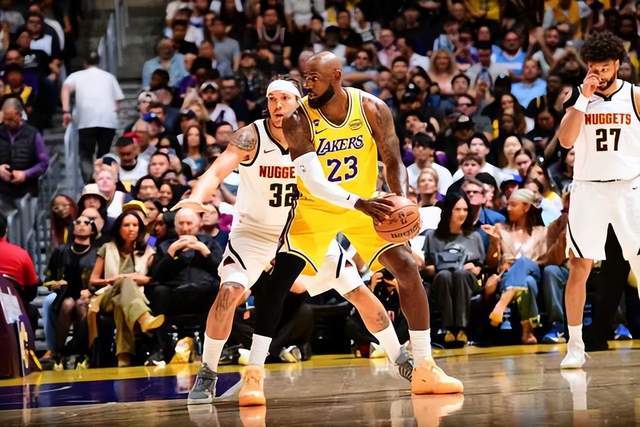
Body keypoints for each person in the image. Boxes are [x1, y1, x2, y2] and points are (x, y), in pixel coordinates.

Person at [175, 78, 414, 405]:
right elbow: (216, 172)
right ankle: (208, 372)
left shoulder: (316, 133)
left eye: (284, 98)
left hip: (306, 229)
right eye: (271, 99)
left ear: (298, 101)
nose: (277, 105)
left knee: (357, 291)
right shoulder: (251, 136)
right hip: (255, 233)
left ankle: (400, 357)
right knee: (229, 292)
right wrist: (195, 199)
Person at [269, 52, 463, 396]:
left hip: (366, 206)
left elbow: (392, 159)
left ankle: (424, 365)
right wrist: (362, 203)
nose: (307, 85)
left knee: (406, 267)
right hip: (316, 208)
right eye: (305, 78)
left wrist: (399, 203)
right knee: (276, 282)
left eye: (314, 78)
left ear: (337, 76)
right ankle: (250, 369)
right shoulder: (298, 118)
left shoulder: (372, 108)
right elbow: (313, 182)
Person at [556, 31, 640, 369]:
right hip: (588, 189)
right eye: (594, 68)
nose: (599, 74)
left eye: (605, 68)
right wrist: (583, 100)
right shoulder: (578, 97)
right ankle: (575, 346)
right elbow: (565, 141)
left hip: (629, 187)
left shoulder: (634, 96)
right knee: (580, 265)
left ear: (617, 64)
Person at [89, 211, 163, 367]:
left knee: (121, 304)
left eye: (135, 225)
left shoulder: (148, 247)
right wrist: (112, 279)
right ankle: (144, 317)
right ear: (118, 228)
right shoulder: (107, 247)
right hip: (107, 294)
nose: (131, 229)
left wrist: (144, 279)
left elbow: (153, 277)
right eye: (126, 225)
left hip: (130, 298)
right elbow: (93, 280)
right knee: (125, 282)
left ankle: (124, 356)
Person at [423, 192, 485, 346]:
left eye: (465, 209)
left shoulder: (474, 236)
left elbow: (481, 267)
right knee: (444, 275)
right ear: (448, 211)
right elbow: (427, 267)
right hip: (441, 281)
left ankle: (461, 329)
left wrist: (475, 269)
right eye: (457, 209)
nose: (462, 213)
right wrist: (433, 268)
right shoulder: (432, 236)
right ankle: (449, 329)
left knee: (461, 273)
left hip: (467, 281)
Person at [61, 52, 124, 183]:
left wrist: (66, 111)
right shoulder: (109, 76)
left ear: (85, 62)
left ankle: (90, 183)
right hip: (108, 120)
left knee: (86, 154)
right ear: (99, 62)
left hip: (86, 120)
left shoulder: (77, 75)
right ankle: (105, 180)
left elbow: (65, 89)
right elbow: (118, 101)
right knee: (104, 153)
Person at [43, 214, 98, 365]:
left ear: (93, 230)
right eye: (78, 222)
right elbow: (47, 279)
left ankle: (81, 351)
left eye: (86, 222)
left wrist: (91, 291)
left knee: (81, 304)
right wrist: (53, 284)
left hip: (89, 295)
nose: (81, 225)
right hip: (64, 295)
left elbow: (101, 278)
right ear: (73, 228)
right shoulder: (61, 251)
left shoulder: (97, 252)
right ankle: (58, 351)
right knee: (68, 304)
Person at [0, 98, 49, 213]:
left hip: (28, 191)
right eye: (5, 119)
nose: (6, 123)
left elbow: (44, 163)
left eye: (10, 119)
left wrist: (26, 174)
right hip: (3, 192)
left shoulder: (33, 134)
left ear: (19, 115)